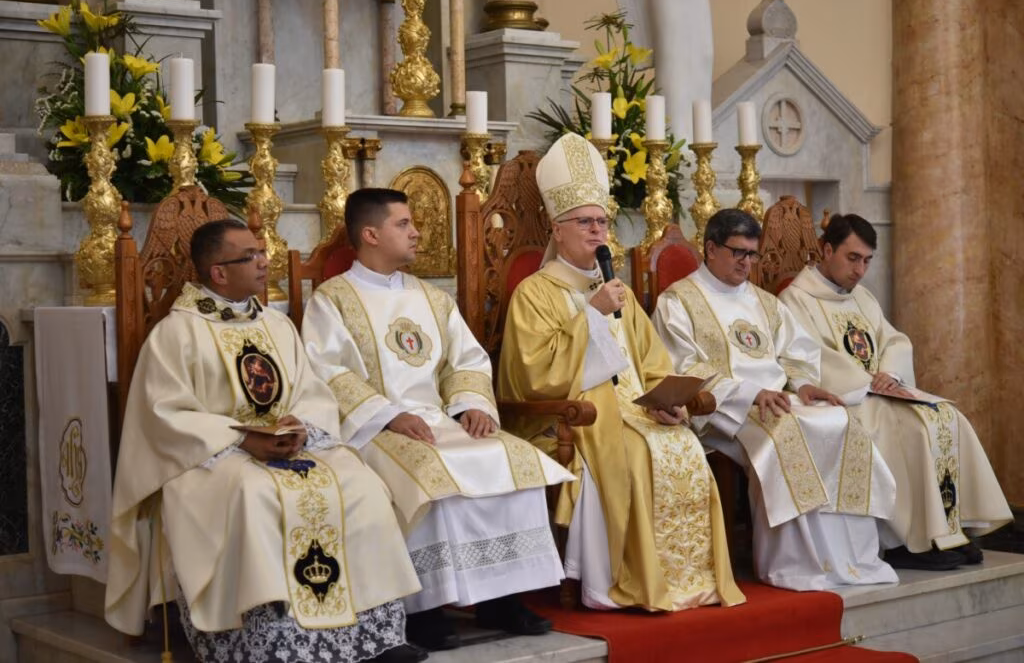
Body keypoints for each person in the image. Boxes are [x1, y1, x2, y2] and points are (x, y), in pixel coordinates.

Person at [105, 219, 424, 663]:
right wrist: (240, 438)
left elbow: (311, 392)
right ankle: (270, 641)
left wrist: (299, 426)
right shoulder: (177, 333)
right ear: (218, 272)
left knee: (361, 484)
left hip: (287, 446)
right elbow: (162, 415)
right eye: (250, 256)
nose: (263, 261)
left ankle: (373, 633)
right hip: (213, 460)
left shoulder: (275, 324)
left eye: (262, 252)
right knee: (255, 494)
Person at [301, 188, 574, 651]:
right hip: (374, 428)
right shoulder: (333, 300)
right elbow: (326, 372)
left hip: (442, 418)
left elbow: (464, 361)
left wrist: (471, 405)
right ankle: (422, 609)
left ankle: (501, 598)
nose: (417, 232)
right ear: (370, 234)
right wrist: (389, 415)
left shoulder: (432, 298)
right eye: (403, 224)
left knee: (513, 460)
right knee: (429, 475)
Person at [497, 133, 745, 612]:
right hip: (574, 418)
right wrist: (589, 314)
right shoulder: (535, 293)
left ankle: (686, 580)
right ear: (557, 229)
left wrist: (669, 400)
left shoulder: (617, 291)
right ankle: (621, 580)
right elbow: (533, 374)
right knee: (635, 450)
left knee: (682, 444)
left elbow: (652, 365)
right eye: (585, 222)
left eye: (602, 222)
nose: (597, 231)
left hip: (634, 410)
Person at [652, 208, 899, 591]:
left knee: (840, 421)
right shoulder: (679, 301)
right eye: (738, 253)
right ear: (711, 249)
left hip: (779, 400)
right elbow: (683, 366)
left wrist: (801, 385)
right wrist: (751, 393)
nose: (747, 263)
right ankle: (796, 563)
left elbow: (797, 353)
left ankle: (849, 559)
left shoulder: (764, 302)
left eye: (753, 254)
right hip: (723, 411)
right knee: (788, 435)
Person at [779, 213, 1012, 568]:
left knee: (947, 416)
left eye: (867, 261)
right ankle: (907, 542)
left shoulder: (862, 298)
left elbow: (893, 339)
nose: (860, 270)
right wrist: (865, 382)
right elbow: (806, 356)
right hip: (845, 399)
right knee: (909, 430)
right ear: (827, 250)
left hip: (878, 390)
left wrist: (889, 372)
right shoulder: (795, 299)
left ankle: (949, 531)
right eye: (852, 258)